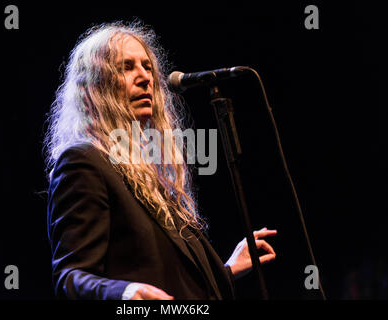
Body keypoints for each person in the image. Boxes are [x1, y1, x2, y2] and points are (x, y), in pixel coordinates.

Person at [44, 21, 277, 300]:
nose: (145, 77)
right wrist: (126, 293)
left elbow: (171, 282)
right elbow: (70, 277)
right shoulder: (83, 162)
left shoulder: (150, 173)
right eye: (126, 67)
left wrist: (226, 270)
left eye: (147, 67)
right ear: (94, 87)